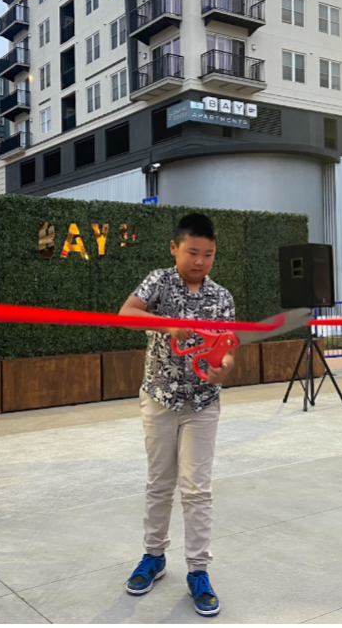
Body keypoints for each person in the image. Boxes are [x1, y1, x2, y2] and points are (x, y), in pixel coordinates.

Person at [118, 214, 235, 617]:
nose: (200, 261)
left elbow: (229, 348)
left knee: (197, 489)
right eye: (192, 253)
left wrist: (224, 365)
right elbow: (127, 313)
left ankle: (198, 570)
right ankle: (153, 557)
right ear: (174, 248)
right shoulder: (159, 282)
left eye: (208, 255)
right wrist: (168, 324)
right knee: (159, 483)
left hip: (203, 403)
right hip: (159, 398)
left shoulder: (222, 297)